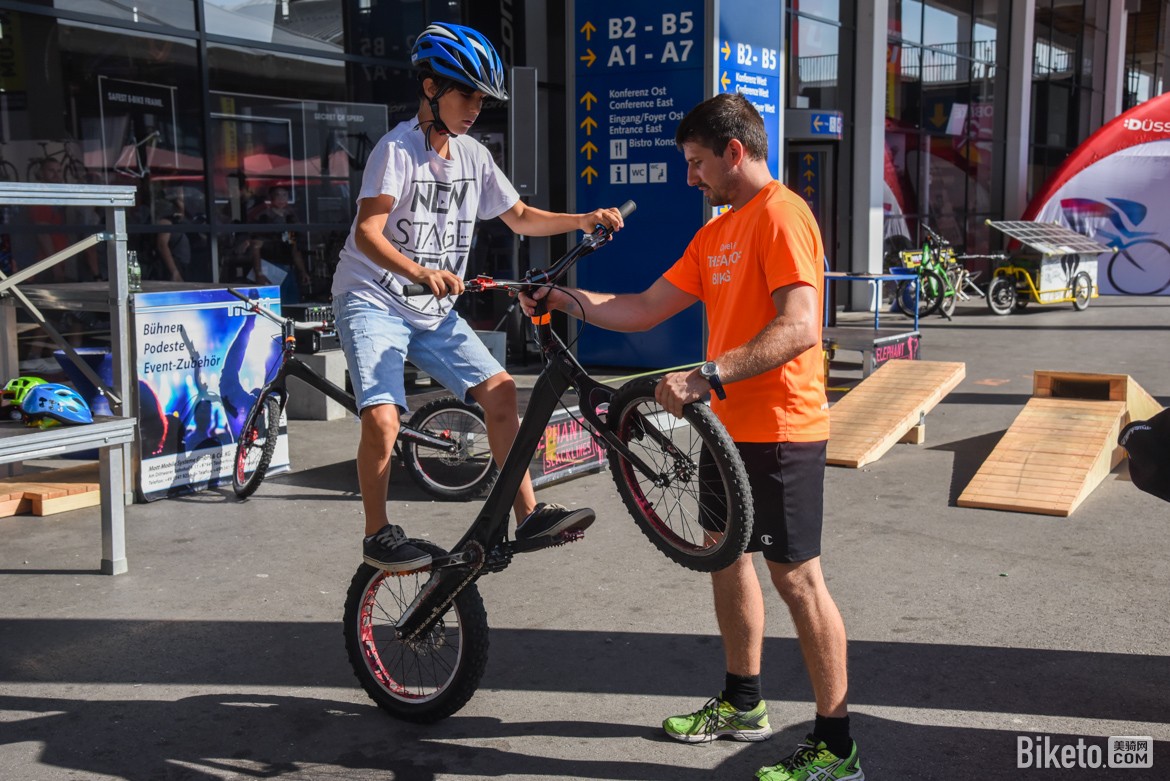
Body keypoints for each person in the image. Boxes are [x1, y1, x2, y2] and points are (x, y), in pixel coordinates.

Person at [519, 93, 861, 781]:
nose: (690, 177)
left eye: (698, 162)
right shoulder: (718, 234)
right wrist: (561, 299)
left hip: (783, 427)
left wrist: (710, 372)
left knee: (798, 578)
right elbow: (643, 309)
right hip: (727, 435)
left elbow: (801, 326)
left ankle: (837, 744)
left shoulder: (782, 216)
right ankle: (742, 701)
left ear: (734, 151)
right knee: (723, 556)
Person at [330, 21, 624, 573]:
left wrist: (580, 219)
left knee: (502, 392)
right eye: (467, 94)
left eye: (481, 98)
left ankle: (529, 513)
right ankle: (377, 533)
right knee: (385, 418)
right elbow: (368, 232)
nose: (475, 108)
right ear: (431, 89)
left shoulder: (474, 156)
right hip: (371, 296)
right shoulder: (396, 151)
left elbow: (518, 217)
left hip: (430, 308)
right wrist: (419, 270)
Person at [251, 186, 311, 304]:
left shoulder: (290, 218)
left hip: (289, 267)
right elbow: (256, 247)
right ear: (272, 198)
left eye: (285, 195)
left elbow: (294, 247)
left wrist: (302, 271)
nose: (281, 199)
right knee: (276, 302)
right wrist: (259, 272)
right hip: (271, 266)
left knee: (293, 303)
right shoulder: (265, 218)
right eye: (278, 195)